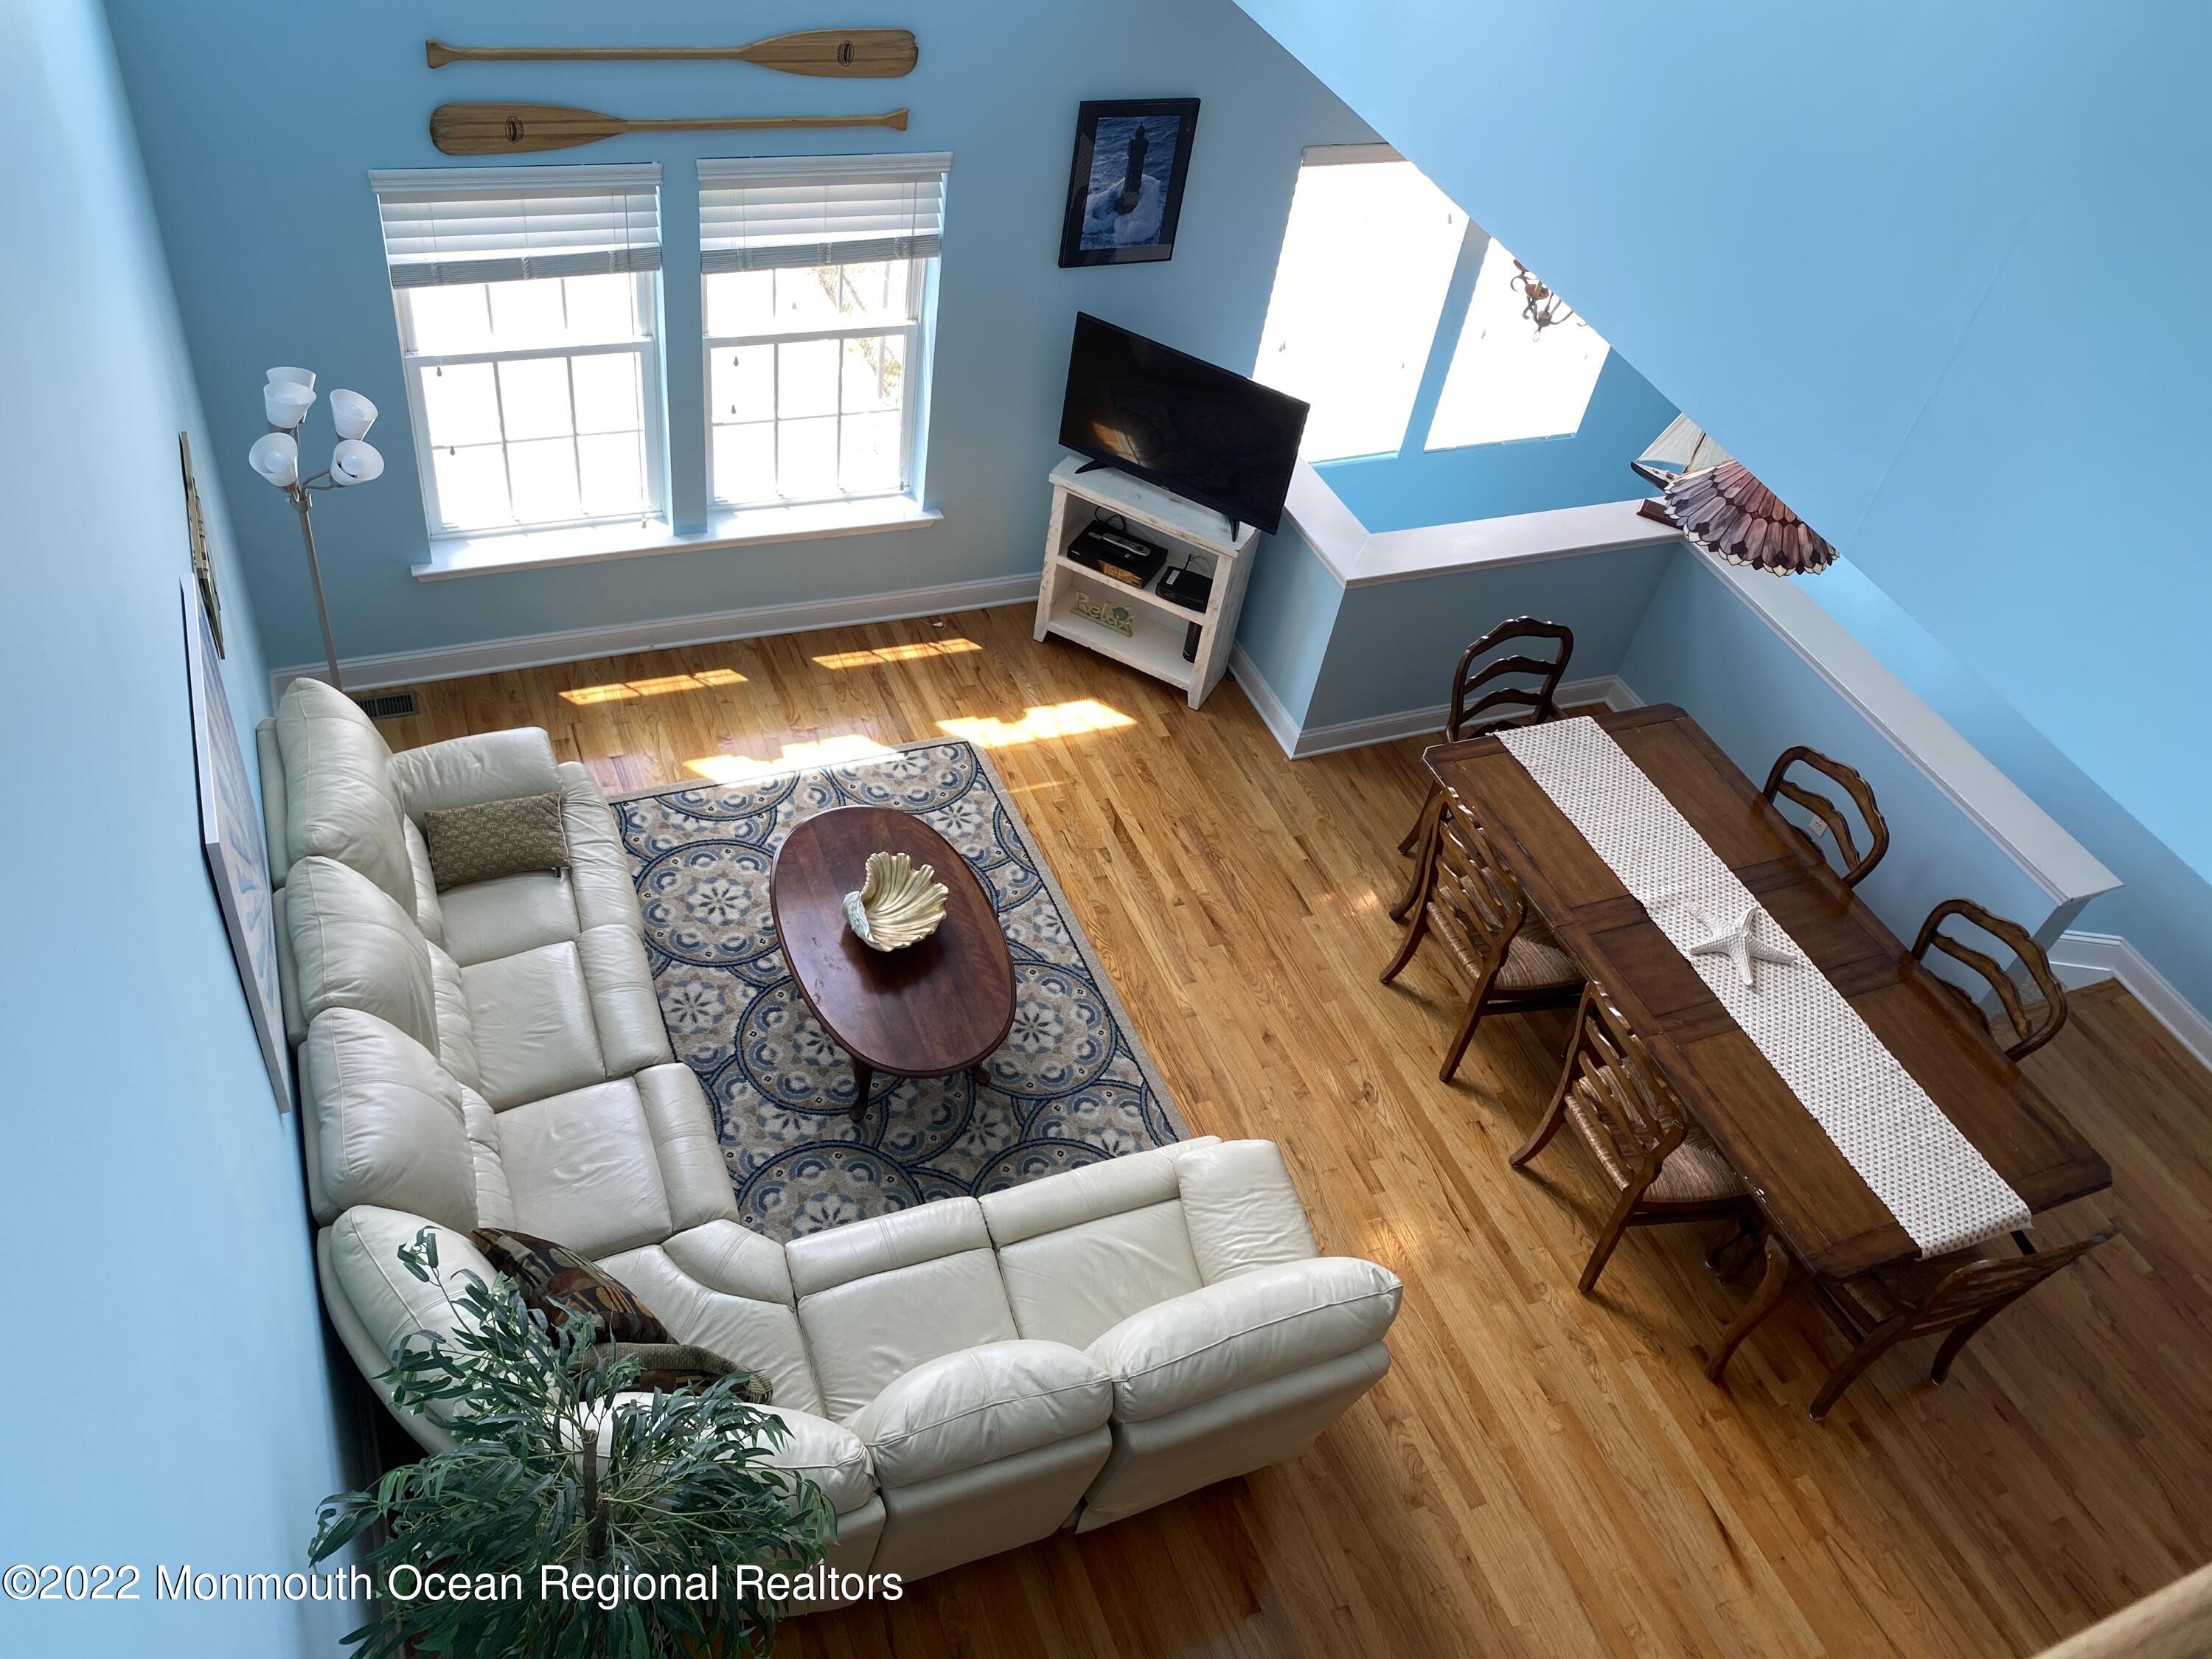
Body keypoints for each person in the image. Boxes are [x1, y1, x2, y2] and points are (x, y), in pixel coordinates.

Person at [1115, 122, 1149, 216]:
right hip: (1138, 167)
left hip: (1133, 165)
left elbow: (1130, 151)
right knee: (1135, 182)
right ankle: (1131, 203)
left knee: (1131, 181)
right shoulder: (1144, 143)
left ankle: (1128, 202)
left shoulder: (1133, 143)